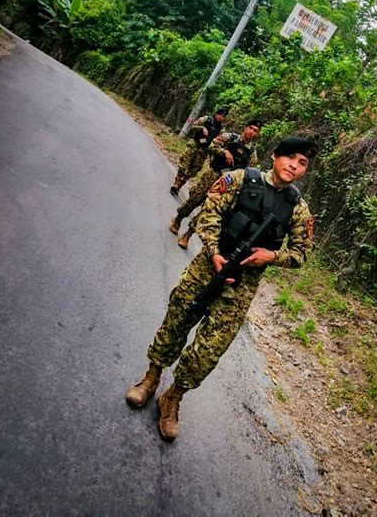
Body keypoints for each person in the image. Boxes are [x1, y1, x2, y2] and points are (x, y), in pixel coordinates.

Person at [126, 136, 318, 441]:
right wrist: (214, 251)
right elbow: (210, 212)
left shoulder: (298, 209)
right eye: (290, 157)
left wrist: (272, 256)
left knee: (209, 350)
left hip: (241, 287)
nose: (294, 165)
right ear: (274, 156)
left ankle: (172, 397)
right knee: (176, 321)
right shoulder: (239, 179)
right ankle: (151, 378)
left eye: (302, 163)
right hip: (207, 269)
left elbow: (301, 253)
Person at [169, 119, 262, 246]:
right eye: (250, 128)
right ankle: (178, 219)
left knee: (208, 208)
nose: (251, 132)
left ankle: (188, 234)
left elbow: (248, 173)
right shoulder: (229, 137)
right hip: (213, 173)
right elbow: (212, 145)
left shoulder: (252, 154)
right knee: (195, 199)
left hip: (226, 183)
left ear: (257, 134)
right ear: (245, 127)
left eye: (255, 131)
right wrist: (224, 151)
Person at [170, 107, 229, 195]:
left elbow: (221, 141)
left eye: (223, 116)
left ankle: (180, 185)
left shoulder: (221, 129)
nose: (221, 117)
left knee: (193, 171)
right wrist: (202, 128)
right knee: (183, 165)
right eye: (220, 114)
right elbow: (193, 125)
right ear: (216, 114)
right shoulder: (207, 119)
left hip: (204, 151)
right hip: (194, 145)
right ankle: (176, 183)